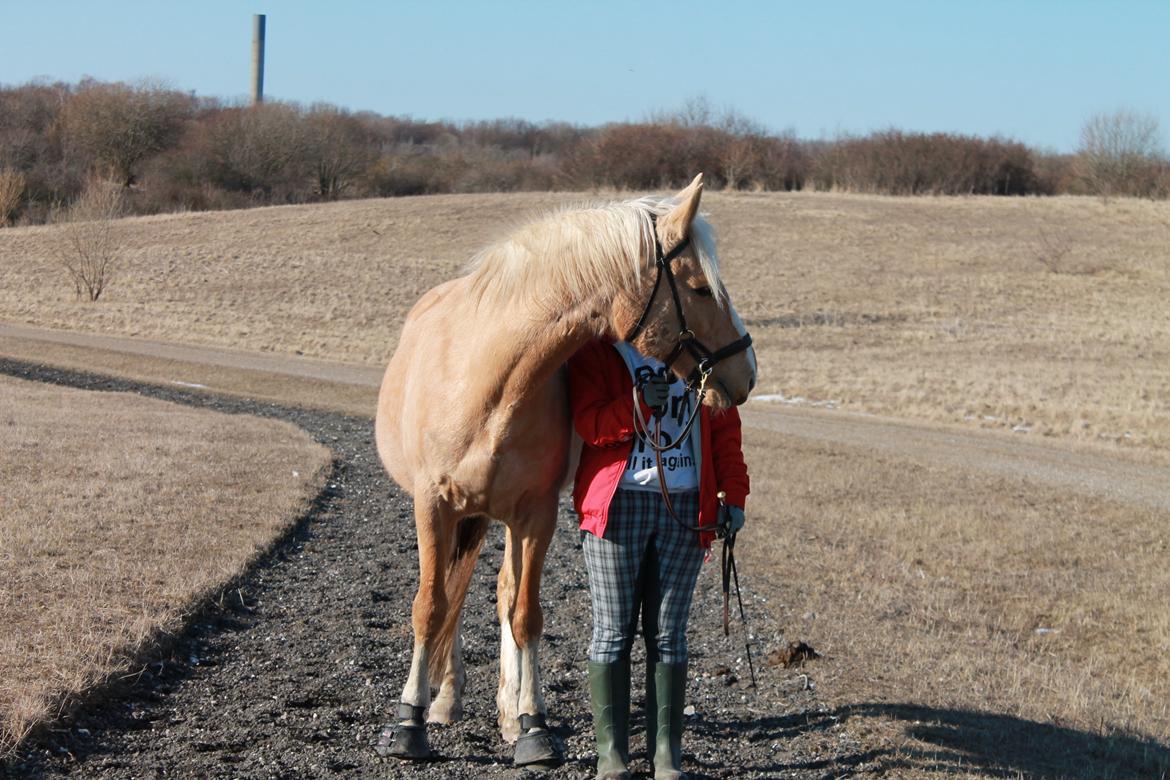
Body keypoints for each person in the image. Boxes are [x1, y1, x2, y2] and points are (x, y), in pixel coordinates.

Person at [568, 337, 749, 780]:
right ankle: (611, 755)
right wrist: (635, 407)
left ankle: (666, 756)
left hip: (687, 509)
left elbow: (725, 430)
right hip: (617, 506)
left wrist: (734, 495)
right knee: (612, 633)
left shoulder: (701, 359)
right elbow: (589, 425)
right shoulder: (598, 353)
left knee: (669, 635)